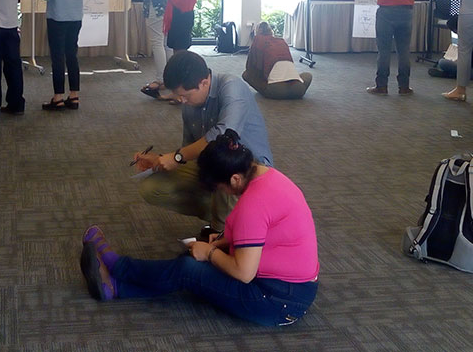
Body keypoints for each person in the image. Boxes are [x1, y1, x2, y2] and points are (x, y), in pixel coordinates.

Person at [81, 131, 318, 327]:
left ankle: (117, 267)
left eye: (219, 187)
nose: (221, 192)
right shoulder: (268, 177)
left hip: (277, 301)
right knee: (191, 258)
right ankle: (116, 287)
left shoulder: (253, 204)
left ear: (234, 179)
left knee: (189, 269)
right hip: (283, 288)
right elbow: (266, 233)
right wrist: (222, 242)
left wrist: (210, 252)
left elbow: (244, 272)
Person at [133, 51, 273, 232]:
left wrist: (176, 157)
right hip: (213, 163)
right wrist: (160, 160)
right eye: (178, 95)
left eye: (185, 95)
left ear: (204, 83)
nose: (181, 100)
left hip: (251, 168)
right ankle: (230, 223)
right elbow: (189, 150)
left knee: (225, 169)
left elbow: (224, 137)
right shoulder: (189, 104)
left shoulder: (232, 86)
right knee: (152, 188)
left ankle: (227, 230)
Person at [369, 0, 423, 95]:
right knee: (404, 51)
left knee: (384, 51)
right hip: (406, 12)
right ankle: (404, 87)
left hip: (386, 12)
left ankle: (381, 86)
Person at [39, 0, 84, 111]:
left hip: (57, 17)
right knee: (72, 55)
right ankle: (74, 96)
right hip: (76, 17)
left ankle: (57, 97)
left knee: (57, 57)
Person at [243, 22, 312, 100]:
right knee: (308, 75)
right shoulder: (282, 41)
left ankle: (272, 90)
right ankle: (293, 90)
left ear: (258, 31)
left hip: (275, 89)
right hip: (297, 88)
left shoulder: (257, 40)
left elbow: (250, 67)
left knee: (246, 75)